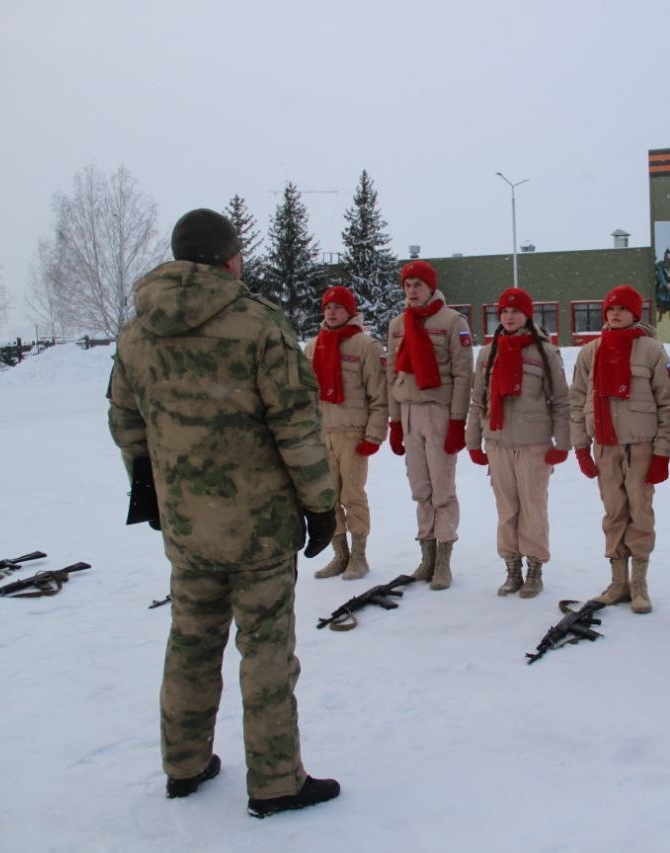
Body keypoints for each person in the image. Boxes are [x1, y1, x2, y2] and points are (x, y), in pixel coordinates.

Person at [107, 208, 340, 818]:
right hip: (259, 525)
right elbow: (296, 421)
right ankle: (275, 780)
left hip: (189, 525)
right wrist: (320, 504)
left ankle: (183, 764)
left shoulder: (137, 333)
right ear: (230, 259)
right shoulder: (256, 325)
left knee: (190, 639)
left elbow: (125, 422)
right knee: (265, 649)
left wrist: (154, 488)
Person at [569, 284, 670, 614]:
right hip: (606, 446)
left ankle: (639, 583)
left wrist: (662, 453)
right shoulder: (590, 352)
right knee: (614, 512)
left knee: (640, 512)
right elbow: (576, 402)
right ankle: (618, 581)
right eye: (610, 309)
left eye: (622, 309)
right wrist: (580, 447)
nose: (614, 313)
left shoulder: (652, 351)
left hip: (641, 447)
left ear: (636, 314)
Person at [466, 287, 570, 598]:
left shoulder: (545, 352)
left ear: (527, 315)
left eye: (515, 311)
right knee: (506, 509)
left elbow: (561, 402)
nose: (509, 317)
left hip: (533, 444)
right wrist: (473, 442)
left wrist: (562, 444)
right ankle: (512, 567)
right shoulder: (488, 353)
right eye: (504, 312)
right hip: (497, 442)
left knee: (533, 508)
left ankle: (535, 567)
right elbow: (477, 401)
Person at [386, 259, 474, 589]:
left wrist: (457, 421)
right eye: (407, 285)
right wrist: (395, 421)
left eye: (417, 285)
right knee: (420, 488)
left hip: (438, 411)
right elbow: (392, 374)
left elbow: (464, 374)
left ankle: (444, 558)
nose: (411, 291)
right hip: (408, 412)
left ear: (431, 287)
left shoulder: (452, 321)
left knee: (442, 488)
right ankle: (427, 556)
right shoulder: (397, 323)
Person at [304, 284, 388, 580]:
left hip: (352, 434)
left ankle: (359, 556)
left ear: (350, 311)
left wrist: (374, 436)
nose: (331, 311)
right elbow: (305, 394)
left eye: (337, 307)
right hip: (322, 434)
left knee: (352, 495)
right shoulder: (313, 347)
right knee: (329, 498)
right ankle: (340, 554)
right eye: (327, 307)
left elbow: (380, 396)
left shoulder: (366, 346)